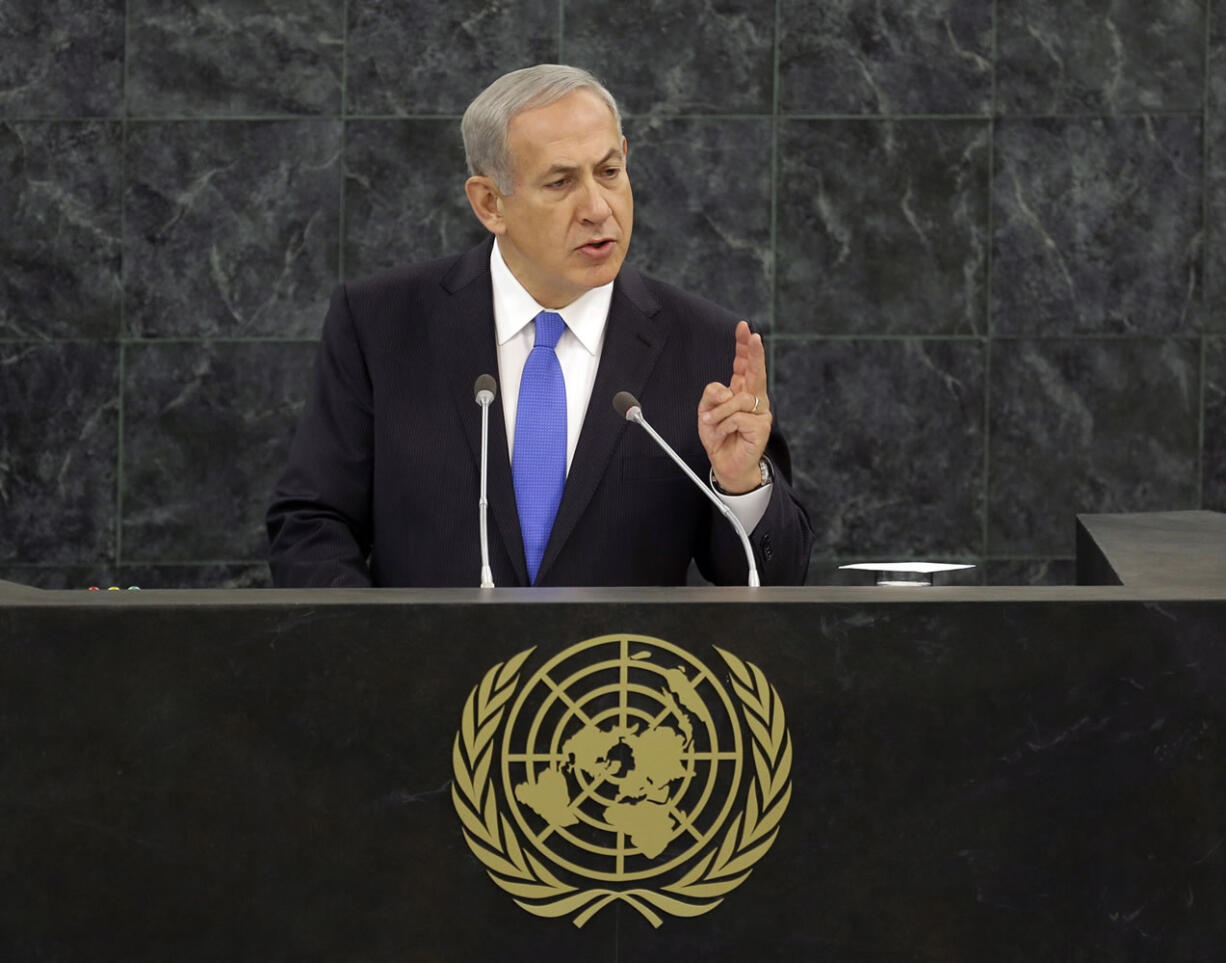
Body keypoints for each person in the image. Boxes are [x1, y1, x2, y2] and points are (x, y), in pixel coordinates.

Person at [267, 64, 813, 587]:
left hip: (614, 679)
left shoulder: (707, 345)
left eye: (609, 173)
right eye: (560, 183)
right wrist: (366, 654)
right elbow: (313, 523)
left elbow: (777, 579)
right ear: (489, 203)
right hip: (425, 676)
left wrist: (742, 485)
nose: (599, 208)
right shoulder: (381, 324)